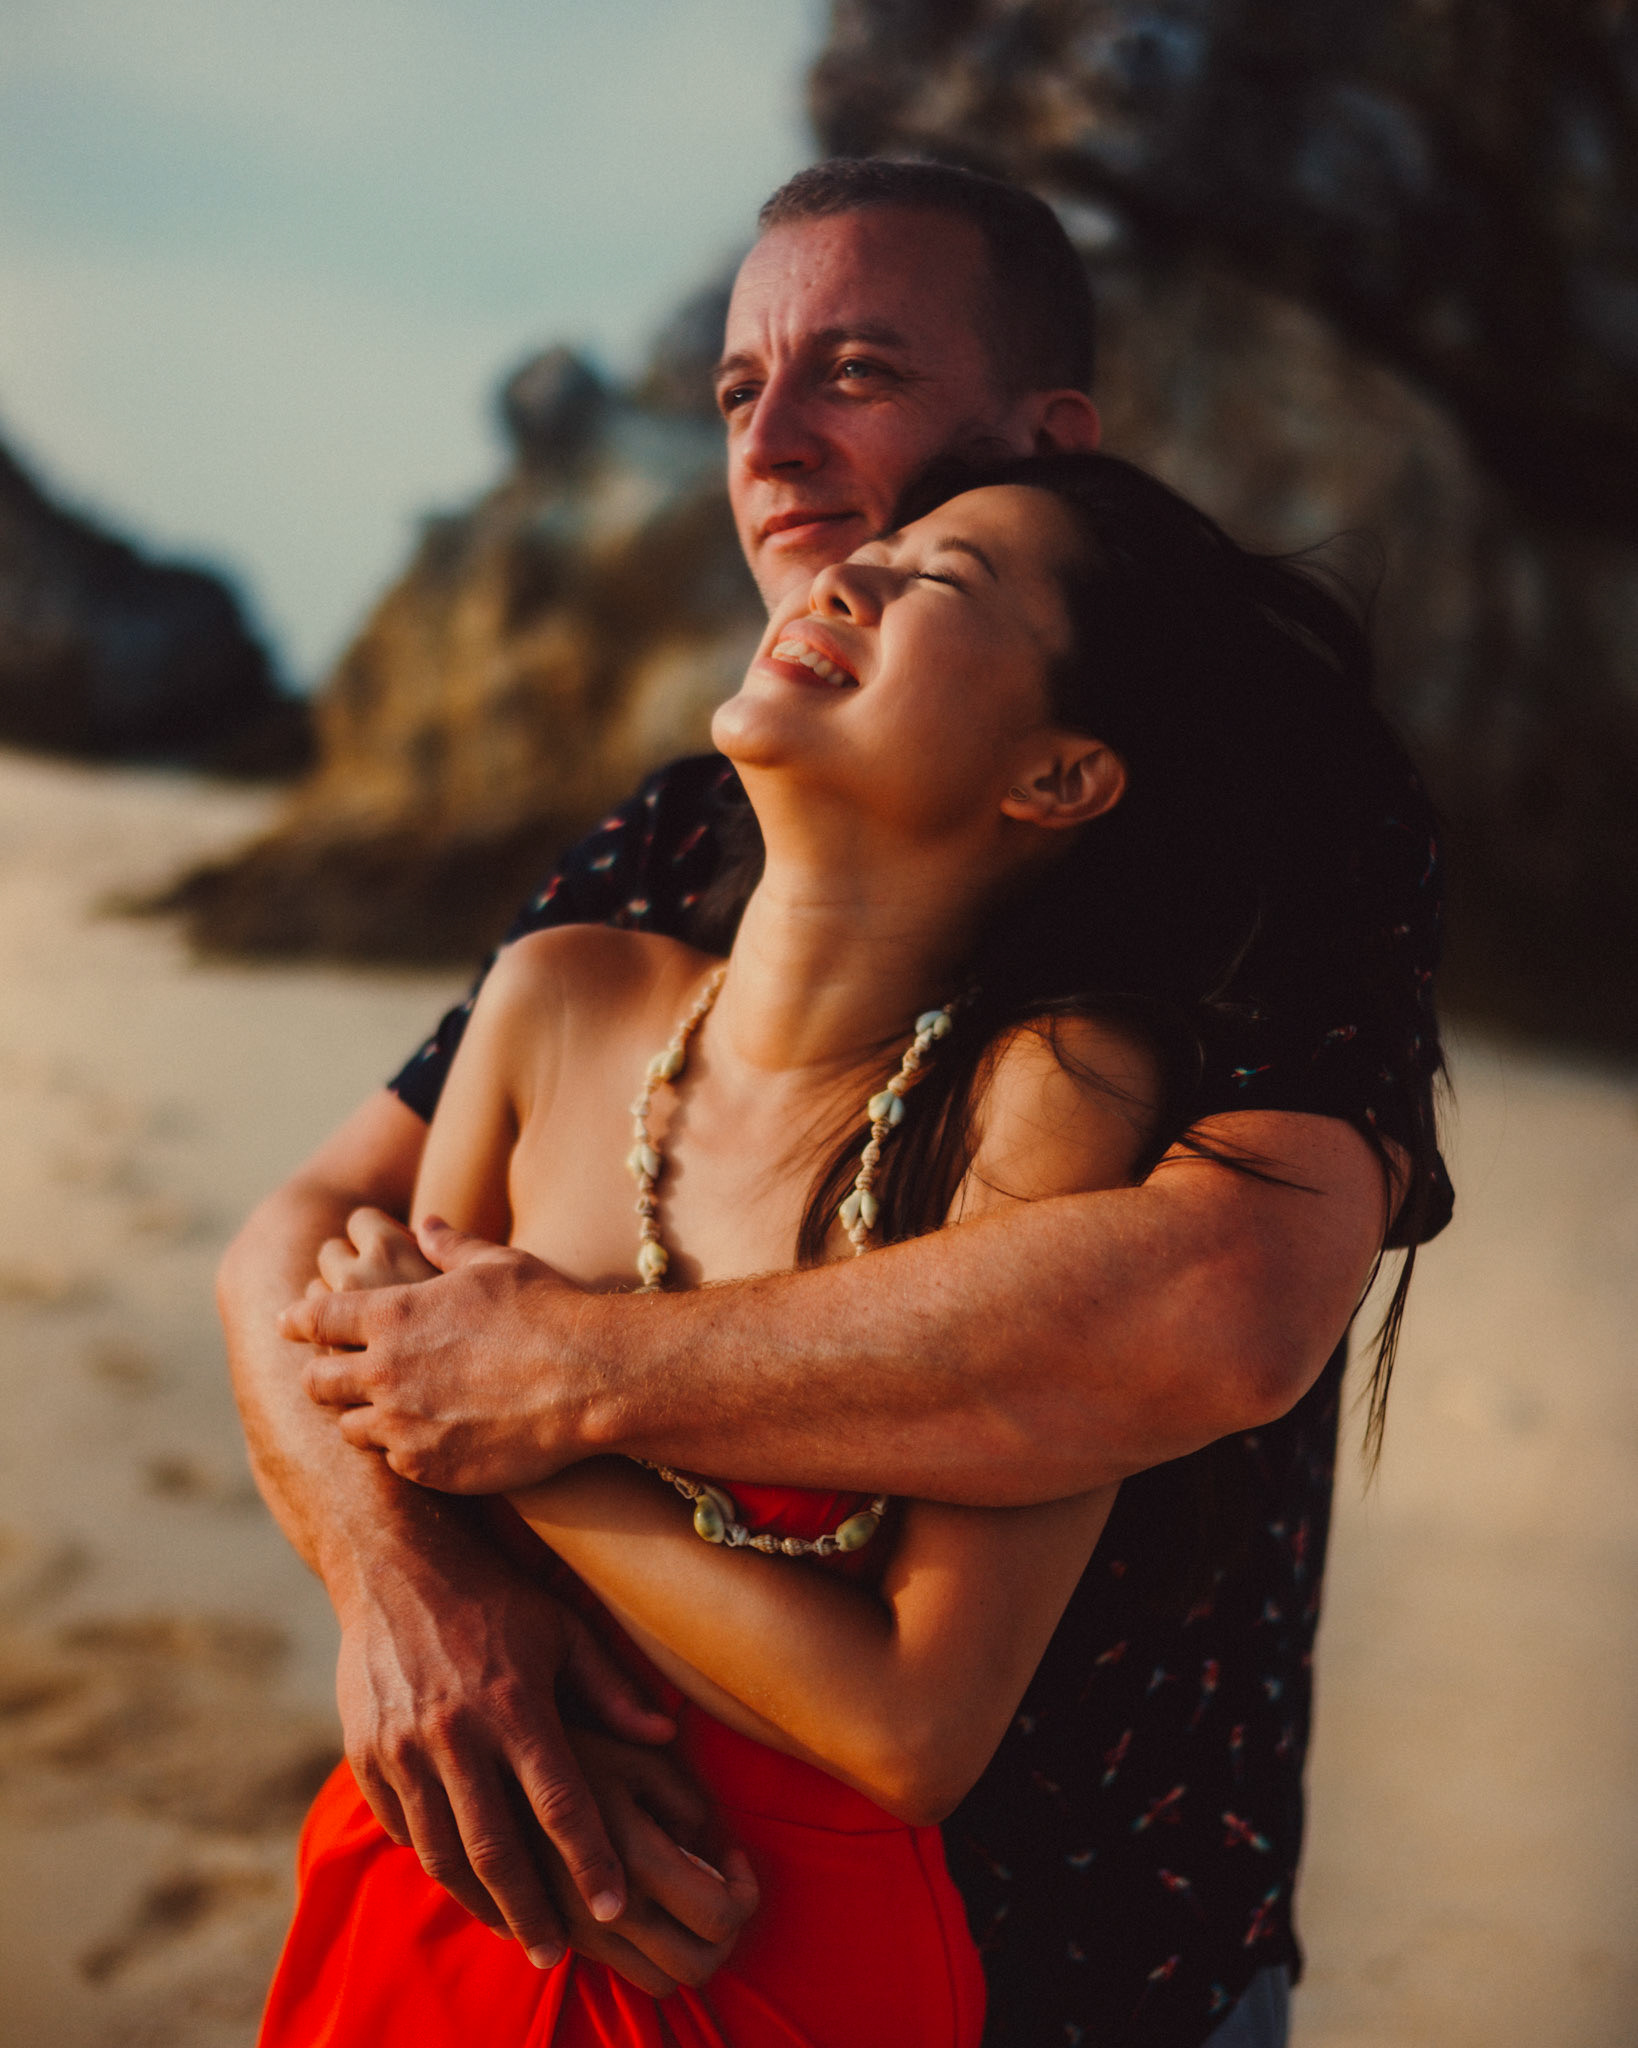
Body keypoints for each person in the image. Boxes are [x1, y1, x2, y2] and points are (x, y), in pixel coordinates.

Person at [236, 162, 1450, 2045]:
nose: (774, 448)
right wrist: (411, 1596)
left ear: (1044, 436)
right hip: (531, 1870)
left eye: (857, 372)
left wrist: (538, 1389)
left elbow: (1223, 1302)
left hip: (1099, 1950)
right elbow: (297, 1261)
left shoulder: (1242, 874)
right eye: (736, 391)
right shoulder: (641, 876)